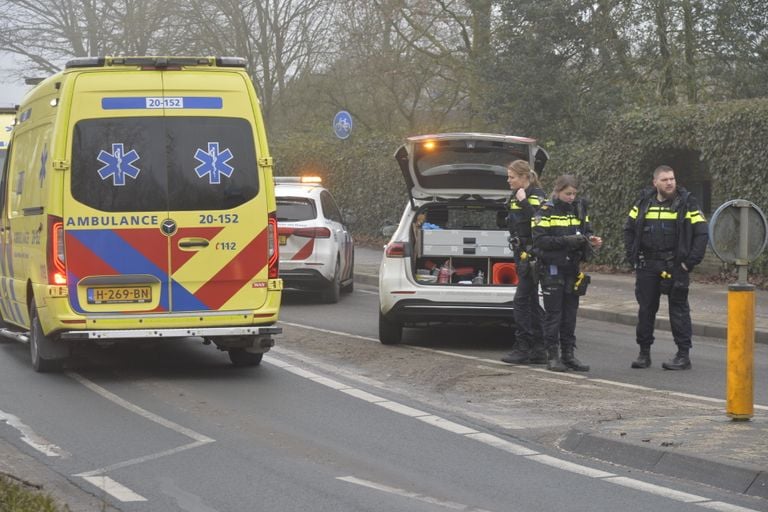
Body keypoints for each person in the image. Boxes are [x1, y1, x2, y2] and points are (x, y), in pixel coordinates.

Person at [623, 165, 708, 370]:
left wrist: (689, 263)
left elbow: (702, 233)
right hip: (648, 265)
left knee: (678, 311)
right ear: (655, 183)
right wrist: (633, 257)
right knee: (646, 310)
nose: (670, 183)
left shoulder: (688, 203)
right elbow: (629, 229)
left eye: (672, 178)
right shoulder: (643, 203)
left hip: (675, 266)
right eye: (664, 180)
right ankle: (644, 354)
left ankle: (683, 355)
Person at [532, 175, 602, 372]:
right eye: (567, 193)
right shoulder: (545, 211)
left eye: (574, 193)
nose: (571, 197)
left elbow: (585, 231)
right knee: (554, 314)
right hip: (552, 268)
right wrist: (568, 241)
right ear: (557, 191)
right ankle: (552, 356)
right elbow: (540, 241)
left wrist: (591, 240)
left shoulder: (579, 209)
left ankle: (569, 355)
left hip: (572, 268)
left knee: (570, 315)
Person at [501, 160, 548, 365]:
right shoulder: (515, 195)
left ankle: (523, 348)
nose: (508, 180)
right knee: (530, 301)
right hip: (521, 253)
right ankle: (539, 348)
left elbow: (540, 222)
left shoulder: (537, 197)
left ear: (524, 177)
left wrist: (524, 203)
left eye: (512, 177)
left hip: (533, 255)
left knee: (521, 301)